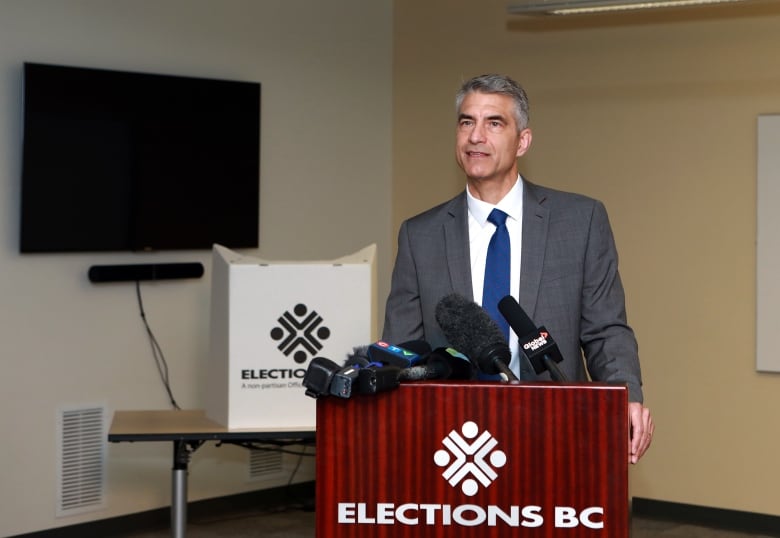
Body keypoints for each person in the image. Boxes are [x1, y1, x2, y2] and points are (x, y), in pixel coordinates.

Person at [382, 73, 654, 463]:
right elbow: (404, 348)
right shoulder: (419, 235)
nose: (476, 136)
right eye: (466, 122)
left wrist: (625, 395)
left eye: (494, 123)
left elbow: (606, 330)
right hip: (452, 441)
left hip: (554, 432)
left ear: (522, 140)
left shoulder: (580, 221)